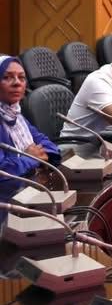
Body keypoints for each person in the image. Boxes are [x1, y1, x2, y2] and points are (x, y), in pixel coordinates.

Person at [0, 55, 61, 199]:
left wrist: (32, 157)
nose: (17, 83)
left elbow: (48, 145)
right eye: (7, 77)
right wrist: (31, 158)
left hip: (25, 189)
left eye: (21, 78)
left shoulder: (16, 115)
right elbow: (3, 172)